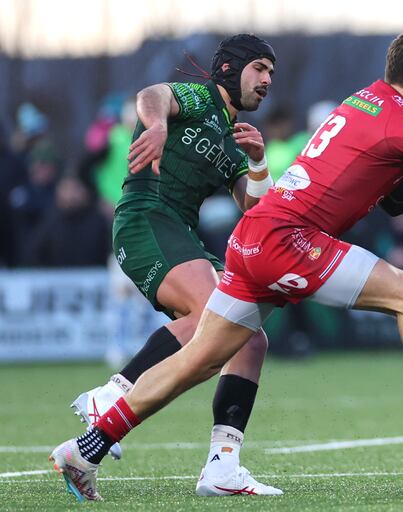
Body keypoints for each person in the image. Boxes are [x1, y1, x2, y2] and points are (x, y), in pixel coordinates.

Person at [50, 31, 403, 501]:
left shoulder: (364, 102)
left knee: (197, 359)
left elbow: (399, 197)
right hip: (286, 239)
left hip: (255, 237)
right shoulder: (399, 114)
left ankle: (86, 449)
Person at [62, 33, 283, 498]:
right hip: (146, 216)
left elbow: (254, 208)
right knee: (214, 316)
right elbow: (152, 95)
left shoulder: (234, 137)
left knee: (248, 335)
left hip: (179, 231)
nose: (267, 80)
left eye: (271, 73)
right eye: (260, 68)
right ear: (229, 68)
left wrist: (259, 163)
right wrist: (158, 126)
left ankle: (222, 466)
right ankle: (113, 393)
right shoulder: (200, 98)